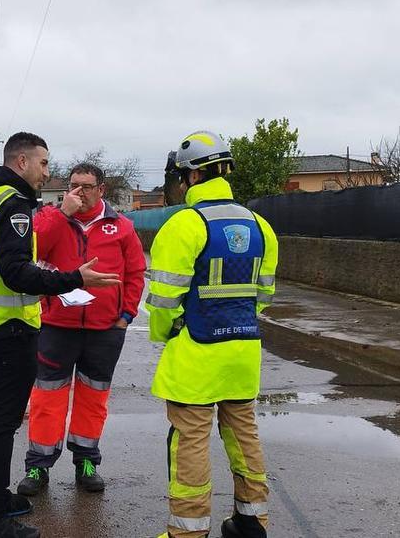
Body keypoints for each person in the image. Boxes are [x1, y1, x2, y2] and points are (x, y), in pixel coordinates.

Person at [0, 132, 121, 538]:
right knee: (1, 423)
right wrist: (74, 278)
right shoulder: (14, 205)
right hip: (11, 328)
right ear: (22, 162)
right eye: (44, 163)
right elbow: (17, 273)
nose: (47, 173)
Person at [146, 131, 279, 538]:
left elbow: (163, 303)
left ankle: (188, 531)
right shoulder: (261, 227)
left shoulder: (185, 225)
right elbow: (262, 297)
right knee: (243, 435)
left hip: (196, 354)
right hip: (243, 352)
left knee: (190, 440)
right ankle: (251, 523)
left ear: (191, 176)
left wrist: (168, 334)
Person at [16, 163, 146, 496]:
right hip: (56, 325)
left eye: (87, 186)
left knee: (93, 397)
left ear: (101, 190)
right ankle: (38, 465)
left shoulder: (121, 227)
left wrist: (126, 316)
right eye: (74, 185)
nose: (79, 192)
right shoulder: (52, 218)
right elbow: (31, 250)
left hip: (105, 329)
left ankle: (86, 462)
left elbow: (135, 273)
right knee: (46, 397)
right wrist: (62, 214)